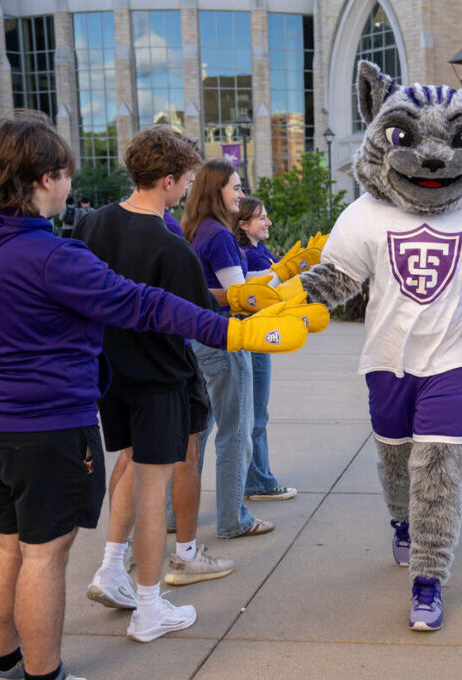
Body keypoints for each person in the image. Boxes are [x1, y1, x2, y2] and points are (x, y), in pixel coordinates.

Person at [0, 111, 306, 680]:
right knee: (43, 555)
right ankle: (43, 676)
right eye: (63, 173)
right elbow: (144, 303)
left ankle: (3, 665)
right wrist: (234, 330)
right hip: (44, 428)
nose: (68, 184)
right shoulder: (50, 258)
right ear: (42, 179)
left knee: (6, 543)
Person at [77, 126, 237, 644]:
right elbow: (203, 317)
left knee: (126, 467)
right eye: (187, 180)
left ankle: (109, 569)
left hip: (108, 375)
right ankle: (149, 607)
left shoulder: (90, 225)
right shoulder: (171, 246)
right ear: (168, 180)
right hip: (161, 377)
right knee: (152, 491)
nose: (188, 189)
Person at [183, 159, 273, 538]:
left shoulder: (195, 230)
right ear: (216, 189)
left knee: (197, 434)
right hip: (226, 338)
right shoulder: (219, 235)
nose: (240, 194)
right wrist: (278, 295)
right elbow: (240, 298)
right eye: (235, 188)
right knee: (235, 432)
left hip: (199, 339)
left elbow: (217, 287)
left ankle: (175, 516)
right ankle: (233, 518)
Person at [233, 197, 298, 502]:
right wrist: (286, 273)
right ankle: (258, 481)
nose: (268, 222)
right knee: (256, 413)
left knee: (254, 412)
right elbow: (260, 293)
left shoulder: (256, 251)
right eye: (261, 218)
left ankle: (254, 478)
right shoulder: (249, 254)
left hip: (258, 334)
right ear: (243, 224)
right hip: (255, 336)